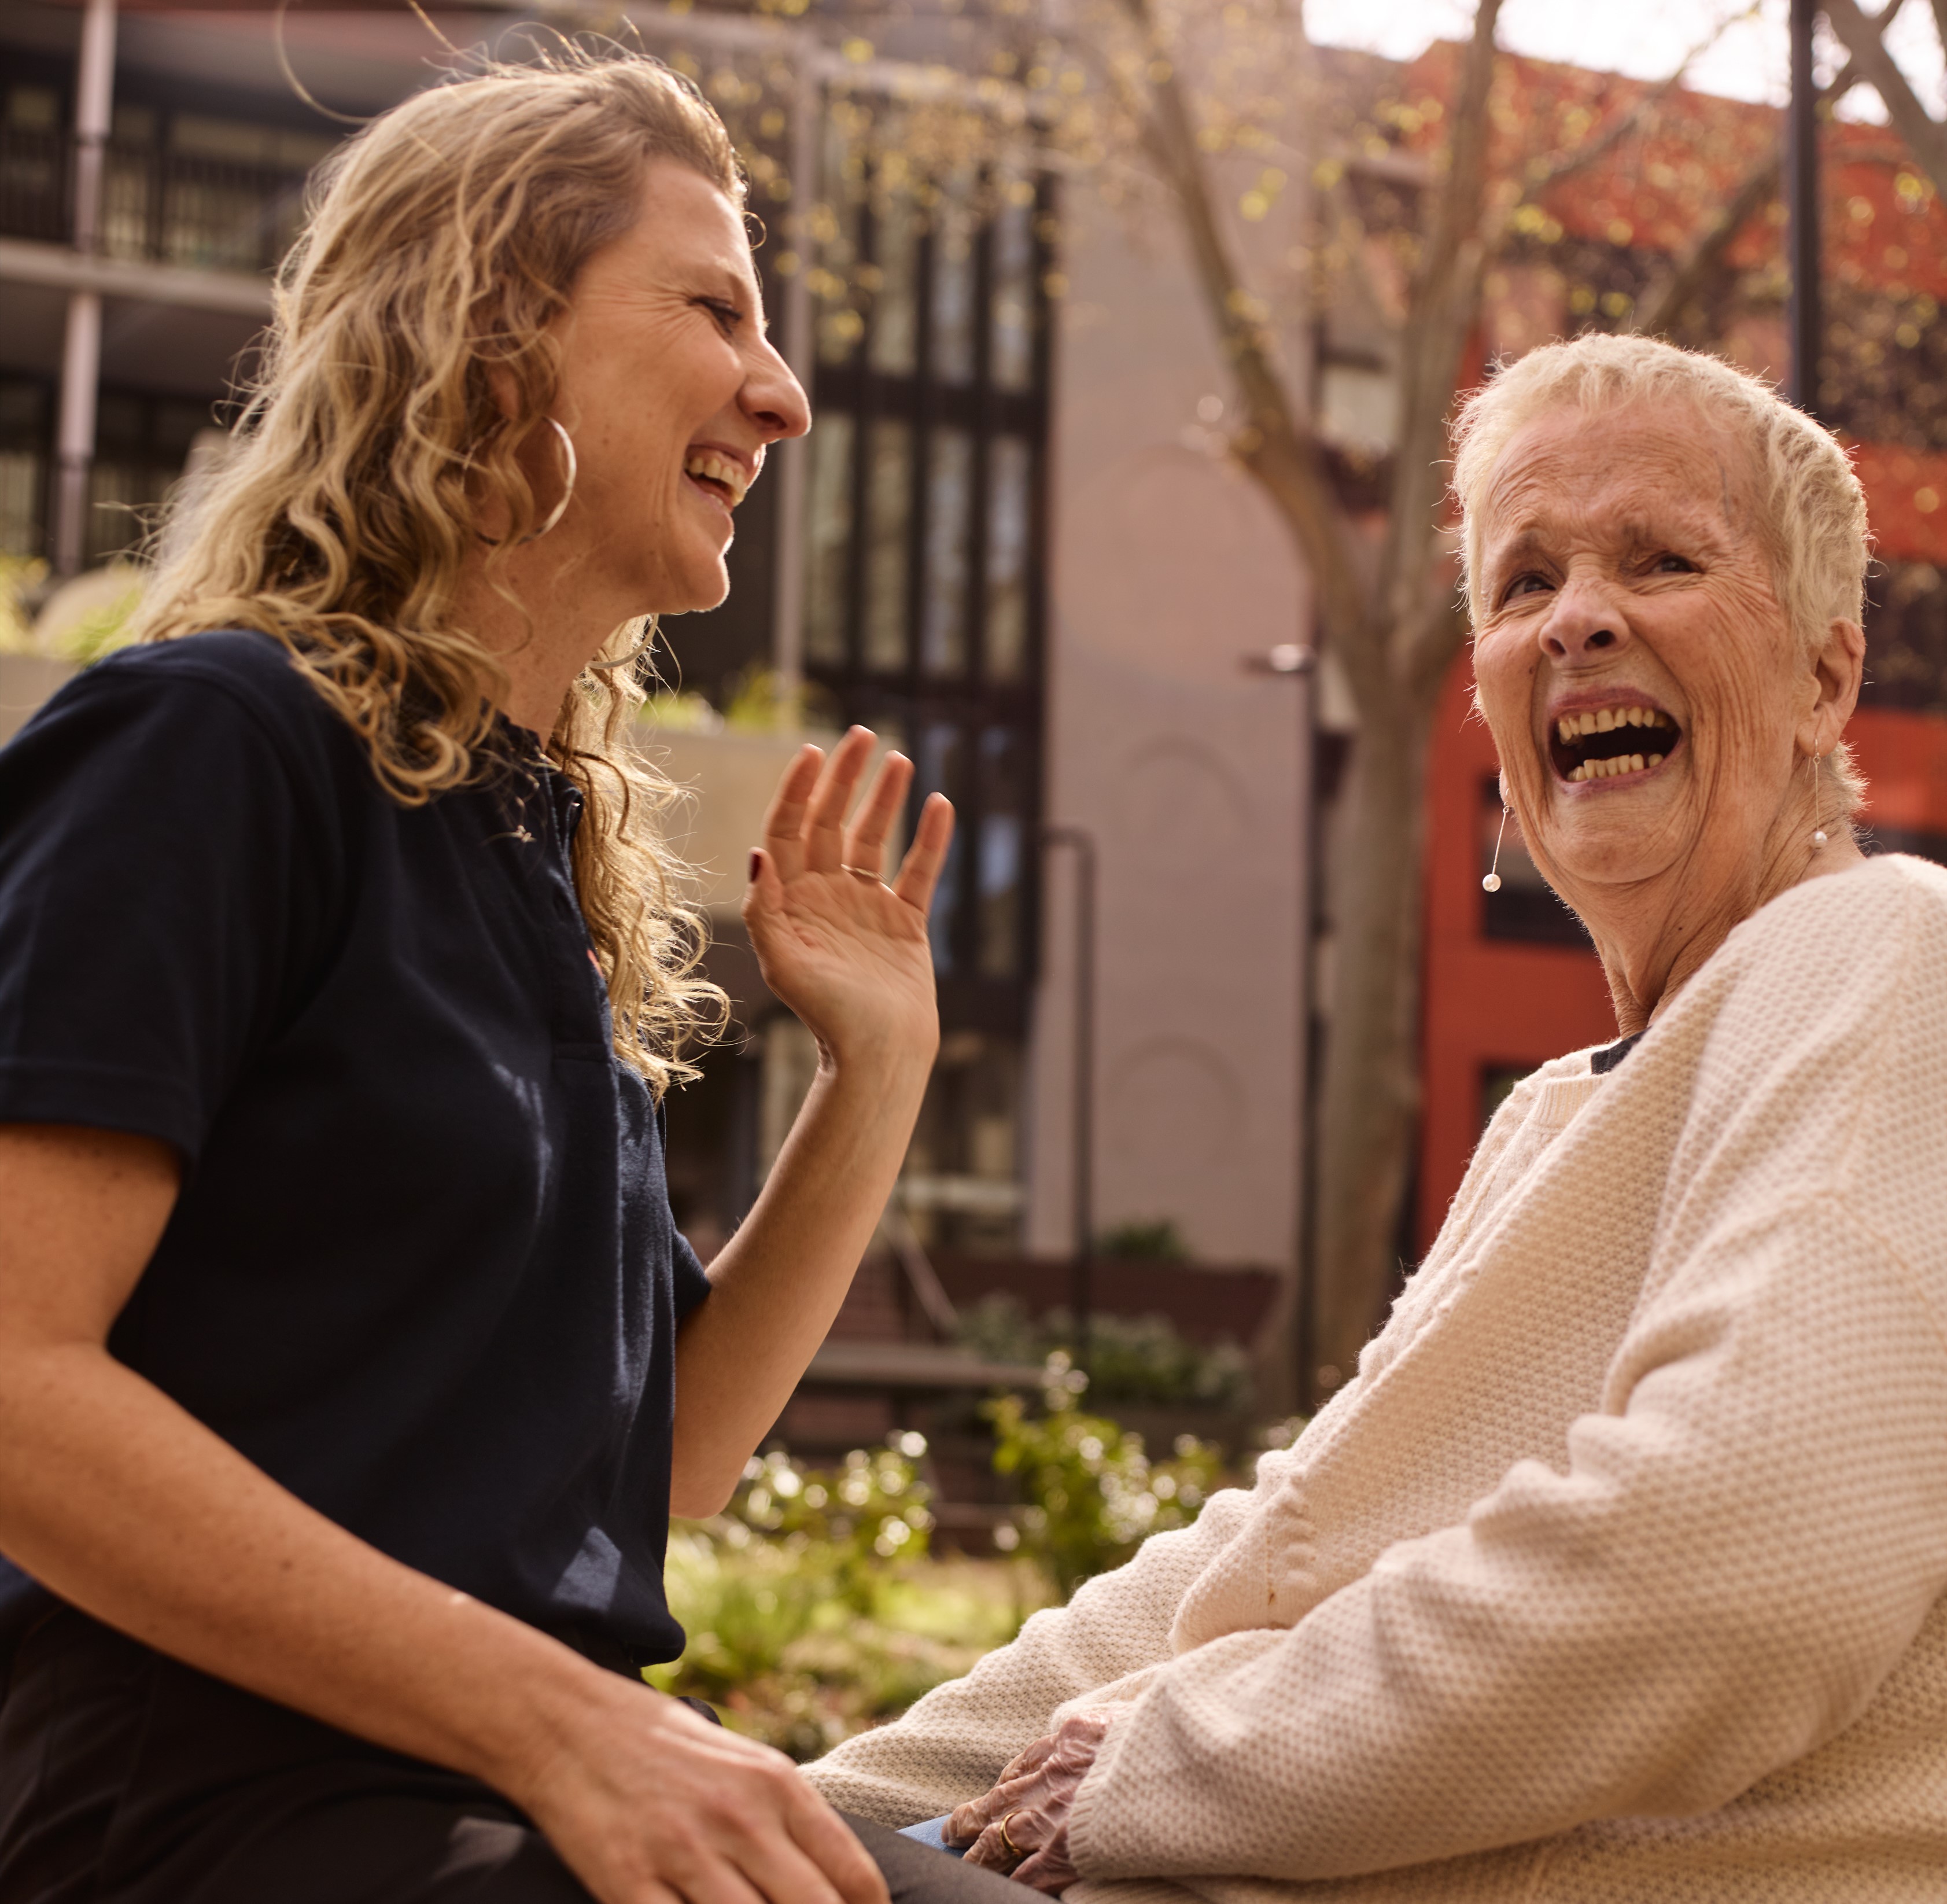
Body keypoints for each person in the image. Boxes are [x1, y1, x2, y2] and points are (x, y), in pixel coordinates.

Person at [0, 50, 1024, 1904]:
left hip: (498, 1795)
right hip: (203, 1811)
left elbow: (681, 1450)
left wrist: (876, 1073)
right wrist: (562, 1724)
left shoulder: (523, 847)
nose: (781, 395)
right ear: (491, 339)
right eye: (714, 306)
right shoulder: (218, 744)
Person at [805, 332, 1947, 1902]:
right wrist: (800, 1805)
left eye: (1661, 558)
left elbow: (1742, 1556)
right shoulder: (1569, 1112)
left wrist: (1171, 1760)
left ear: (1827, 675)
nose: (1580, 619)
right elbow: (1269, 1555)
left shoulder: (1885, 950)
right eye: (1523, 581)